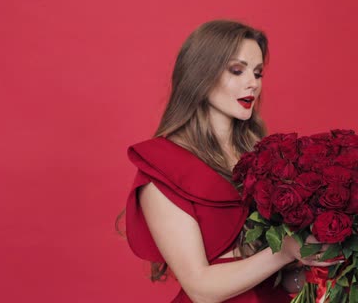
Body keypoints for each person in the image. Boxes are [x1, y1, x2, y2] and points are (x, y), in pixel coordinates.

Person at [118, 19, 339, 303]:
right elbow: (199, 288)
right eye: (237, 70)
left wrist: (311, 259)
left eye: (258, 73)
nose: (253, 84)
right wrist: (282, 252)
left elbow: (281, 279)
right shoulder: (163, 166)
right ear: (201, 75)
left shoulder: (262, 156)